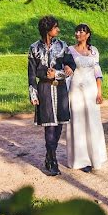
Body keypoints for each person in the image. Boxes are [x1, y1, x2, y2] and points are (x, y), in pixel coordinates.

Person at [27, 15, 75, 176]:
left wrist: (61, 72)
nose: (58, 30)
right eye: (56, 27)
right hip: (44, 90)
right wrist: (33, 94)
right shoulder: (34, 48)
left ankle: (49, 155)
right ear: (48, 30)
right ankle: (52, 160)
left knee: (59, 124)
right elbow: (32, 74)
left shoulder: (63, 46)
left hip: (60, 89)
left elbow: (70, 66)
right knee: (49, 126)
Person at [65, 23, 107, 172]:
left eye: (82, 31)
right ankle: (80, 160)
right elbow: (66, 67)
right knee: (77, 121)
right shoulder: (69, 50)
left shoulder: (94, 51)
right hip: (76, 88)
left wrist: (99, 92)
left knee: (93, 121)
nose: (78, 34)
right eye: (77, 31)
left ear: (88, 35)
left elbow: (97, 71)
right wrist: (66, 68)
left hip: (91, 89)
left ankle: (96, 156)